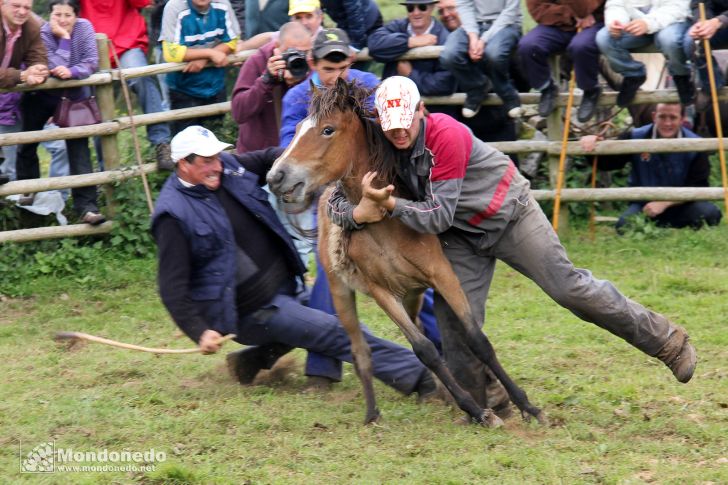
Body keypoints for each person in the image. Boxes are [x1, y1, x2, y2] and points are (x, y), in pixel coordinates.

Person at [328, 76, 698, 409]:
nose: (399, 134)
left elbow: (437, 215)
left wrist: (389, 204)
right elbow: (337, 196)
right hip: (459, 235)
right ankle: (486, 403)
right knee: (453, 318)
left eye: (406, 122)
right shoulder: (383, 142)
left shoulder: (446, 134)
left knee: (568, 288)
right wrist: (357, 215)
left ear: (421, 110)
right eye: (390, 127)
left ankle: (668, 342)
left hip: (509, 215)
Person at [151, 125, 439, 398]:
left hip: (286, 286)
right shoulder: (172, 216)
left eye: (216, 156)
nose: (216, 166)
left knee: (318, 323)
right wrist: (200, 331)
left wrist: (302, 159)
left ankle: (251, 362)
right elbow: (171, 287)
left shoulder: (229, 168)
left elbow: (266, 159)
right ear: (183, 164)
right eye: (206, 161)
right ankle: (422, 378)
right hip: (253, 310)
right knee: (337, 330)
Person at [15, 0, 104, 224]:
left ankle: (87, 207)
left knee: (79, 148)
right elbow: (52, 66)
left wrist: (73, 71)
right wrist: (64, 39)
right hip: (40, 96)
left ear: (76, 15)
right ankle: (28, 198)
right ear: (50, 14)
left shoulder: (85, 28)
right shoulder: (43, 31)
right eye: (57, 15)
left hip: (74, 96)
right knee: (27, 144)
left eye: (67, 15)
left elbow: (91, 62)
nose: (62, 20)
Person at [580, 102, 722, 230]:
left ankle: (666, 225)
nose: (667, 123)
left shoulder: (696, 144)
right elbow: (609, 163)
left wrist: (664, 203)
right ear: (654, 116)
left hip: (682, 205)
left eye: (672, 117)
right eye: (662, 117)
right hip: (645, 205)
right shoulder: (635, 137)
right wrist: (592, 144)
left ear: (681, 118)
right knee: (623, 226)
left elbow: (698, 186)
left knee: (710, 214)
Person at [79, 0, 172, 169]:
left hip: (127, 39)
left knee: (141, 76)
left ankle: (162, 143)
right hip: (92, 46)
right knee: (95, 100)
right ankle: (106, 169)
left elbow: (145, 2)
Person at [434, 0, 519, 148]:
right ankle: (479, 87)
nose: (446, 14)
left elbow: (520, 75)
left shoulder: (505, 41)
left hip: (499, 119)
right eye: (441, 11)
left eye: (450, 9)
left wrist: (483, 40)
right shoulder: (447, 37)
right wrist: (474, 37)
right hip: (465, 120)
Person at [279, 28, 379, 146]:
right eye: (328, 69)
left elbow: (377, 132)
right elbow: (289, 143)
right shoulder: (296, 97)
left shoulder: (368, 84)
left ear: (351, 59)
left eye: (342, 68)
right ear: (312, 64)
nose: (336, 78)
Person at [160, 0, 240, 135]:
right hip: (183, 88)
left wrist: (203, 59)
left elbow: (233, 40)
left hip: (215, 85)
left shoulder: (223, 4)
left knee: (215, 138)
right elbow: (171, 53)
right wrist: (210, 53)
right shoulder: (174, 7)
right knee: (185, 143)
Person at [596, 0, 695, 107]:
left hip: (672, 22)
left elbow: (678, 7)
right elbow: (615, 4)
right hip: (636, 26)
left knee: (669, 40)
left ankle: (681, 76)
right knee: (604, 38)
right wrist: (616, 22)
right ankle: (633, 74)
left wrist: (648, 23)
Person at [518, 0, 605, 122]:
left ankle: (591, 90)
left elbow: (585, 7)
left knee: (581, 46)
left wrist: (581, 13)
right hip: (557, 25)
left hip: (592, 22)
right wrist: (570, 15)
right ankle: (547, 88)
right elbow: (537, 10)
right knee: (528, 46)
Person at [231, 22, 311, 153]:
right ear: (277, 47)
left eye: (305, 52)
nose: (298, 58)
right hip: (258, 156)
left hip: (298, 154)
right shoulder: (257, 61)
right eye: (292, 52)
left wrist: (299, 83)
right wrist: (266, 80)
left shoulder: (310, 64)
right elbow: (239, 113)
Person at [0, 0, 48, 185]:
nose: (22, 11)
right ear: (2, 4)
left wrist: (38, 71)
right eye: (16, 6)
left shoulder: (32, 26)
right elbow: (21, 74)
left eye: (27, 7)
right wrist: (21, 75)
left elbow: (39, 57)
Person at [367, 0, 455, 97]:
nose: (416, 13)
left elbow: (445, 84)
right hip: (393, 105)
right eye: (410, 8)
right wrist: (410, 41)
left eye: (422, 7)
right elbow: (373, 44)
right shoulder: (397, 26)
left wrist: (410, 75)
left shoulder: (445, 37)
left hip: (430, 108)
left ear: (432, 7)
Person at [684, 0, 728, 105]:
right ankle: (712, 85)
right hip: (716, 23)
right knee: (692, 42)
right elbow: (699, 3)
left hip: (720, 21)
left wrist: (718, 21)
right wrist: (702, 22)